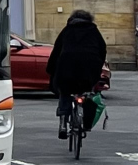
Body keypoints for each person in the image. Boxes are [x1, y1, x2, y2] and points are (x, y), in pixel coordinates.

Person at [46, 9, 108, 139]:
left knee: (65, 91)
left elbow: (56, 51)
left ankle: (63, 122)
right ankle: (85, 122)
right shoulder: (93, 31)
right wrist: (98, 66)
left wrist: (51, 69)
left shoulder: (67, 30)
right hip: (89, 67)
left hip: (67, 67)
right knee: (87, 92)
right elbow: (102, 49)